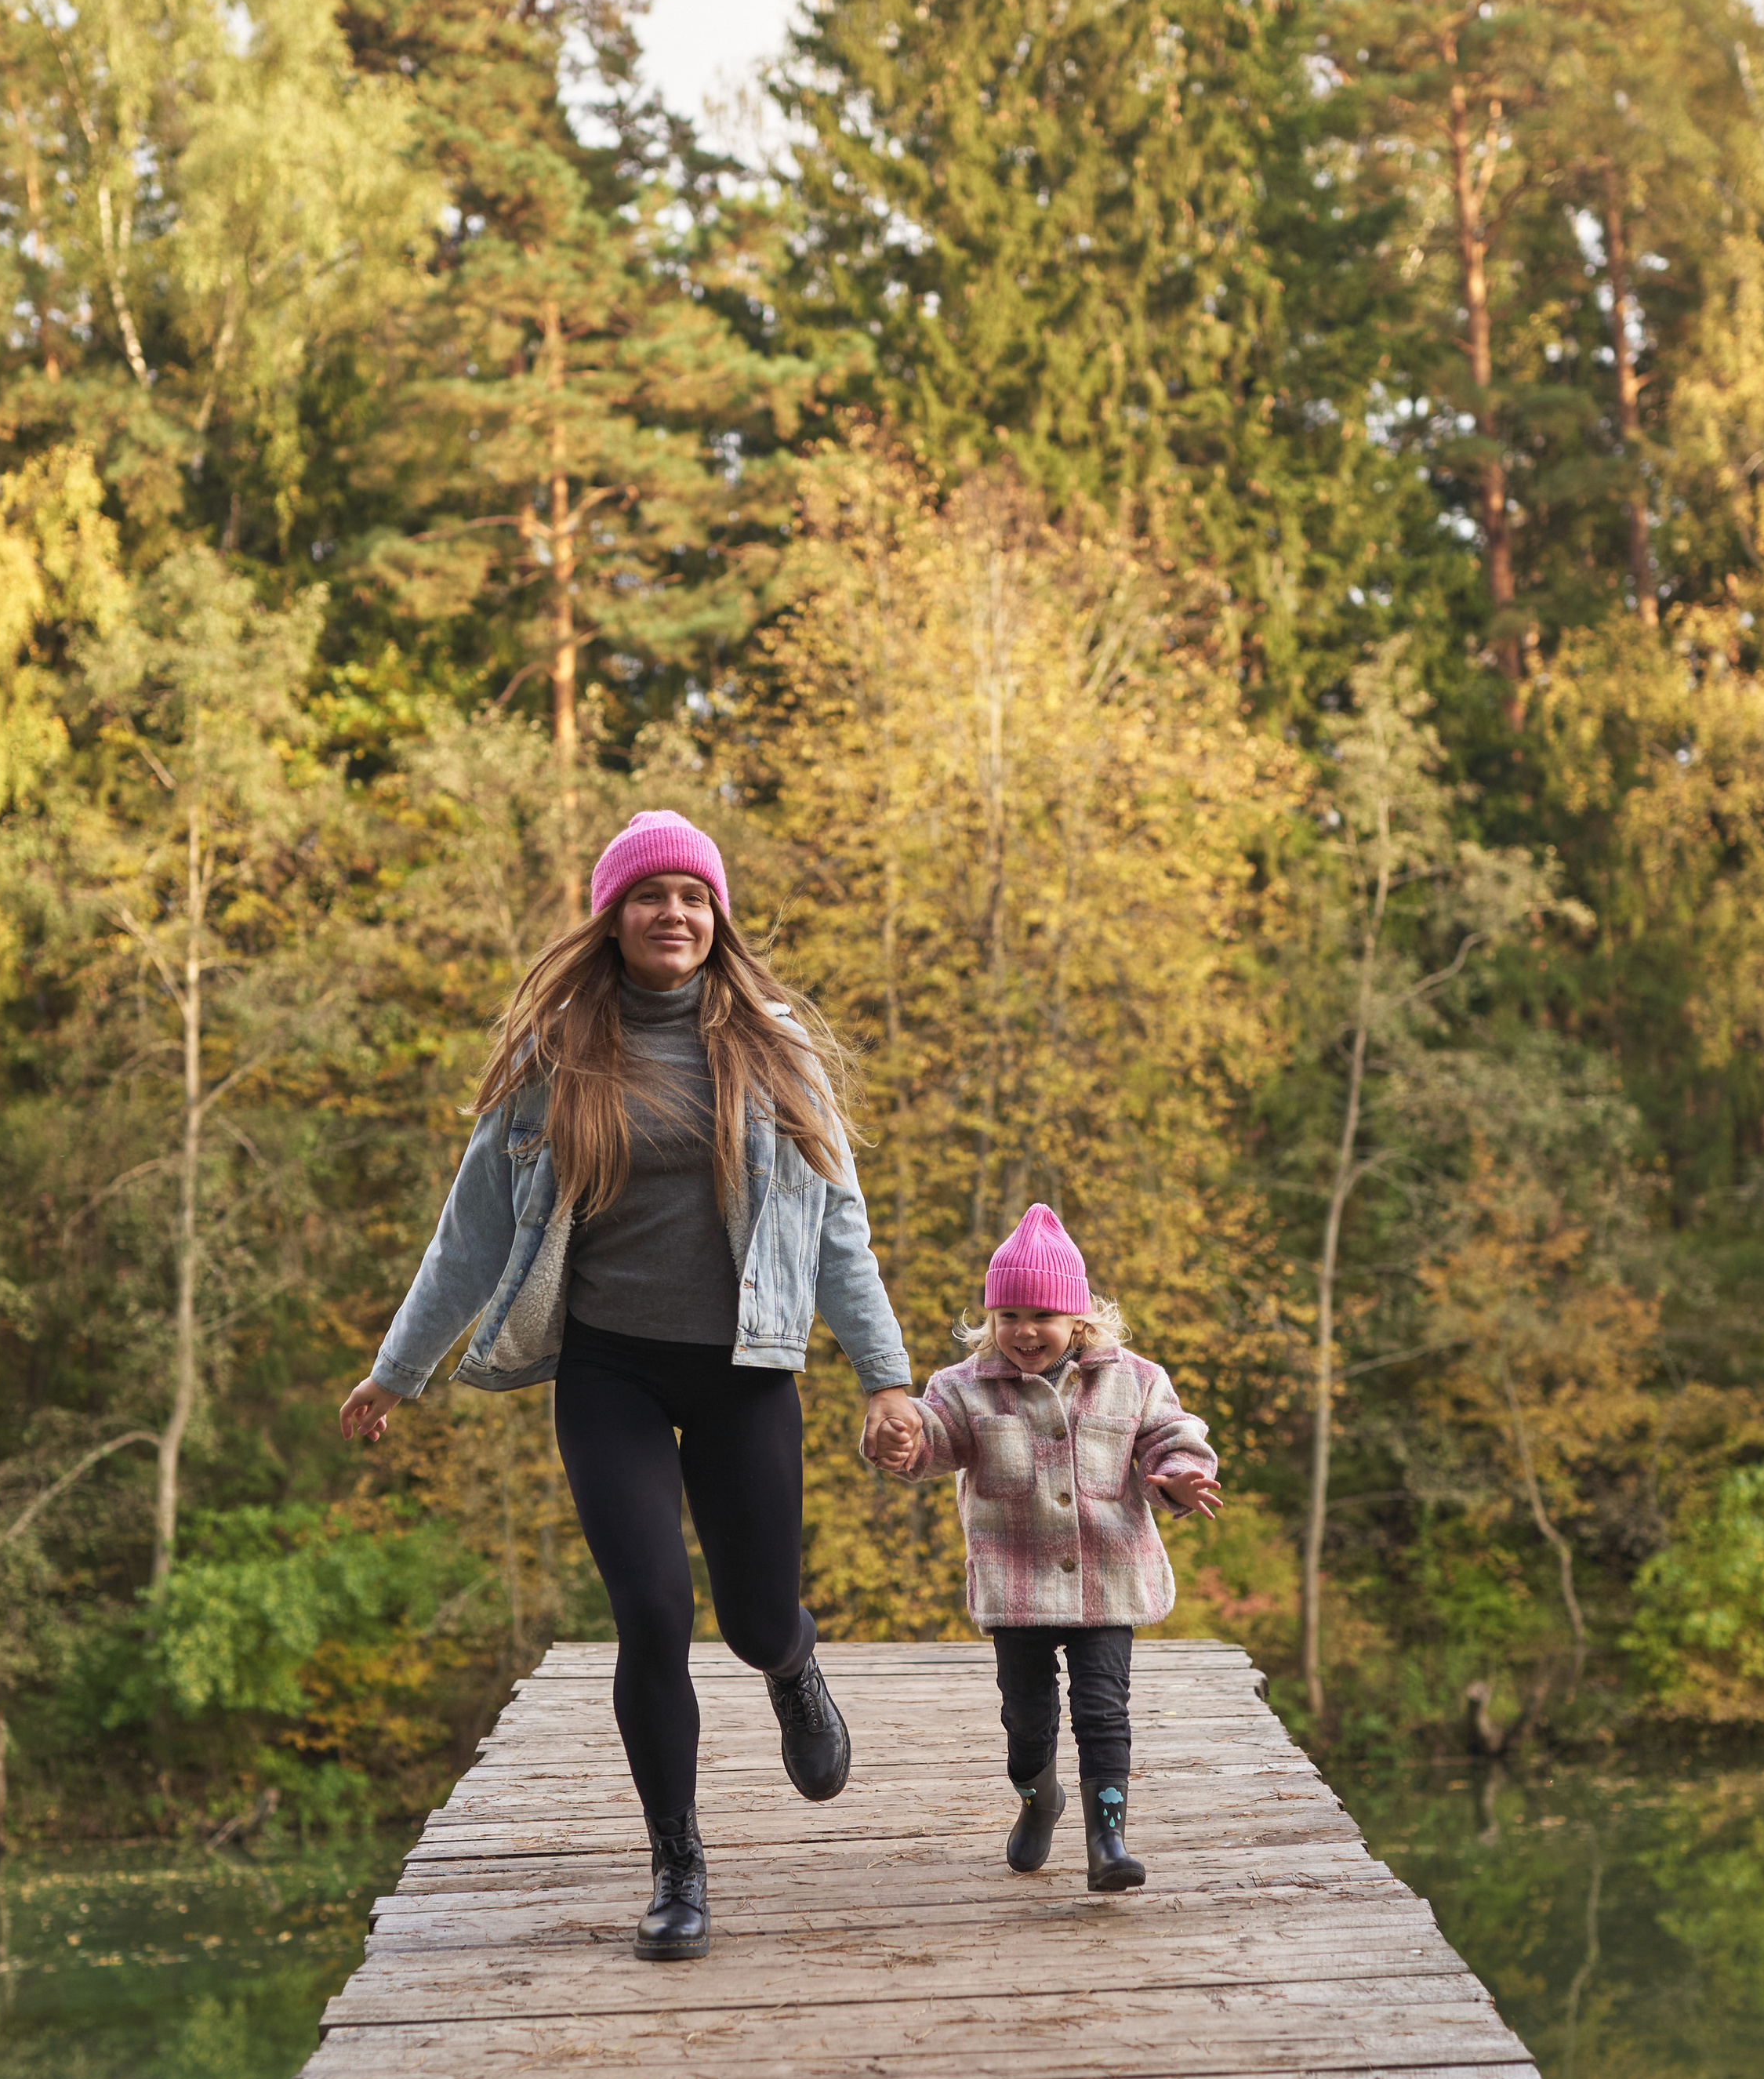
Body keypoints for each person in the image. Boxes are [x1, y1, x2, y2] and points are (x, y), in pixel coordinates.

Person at [339, 808, 922, 1963]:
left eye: (694, 897)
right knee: (651, 1611)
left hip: (744, 1368)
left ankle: (791, 1662)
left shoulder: (774, 1044)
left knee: (754, 1619)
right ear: (614, 919)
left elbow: (836, 1229)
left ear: (719, 919)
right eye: (650, 897)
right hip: (607, 1367)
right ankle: (677, 1865)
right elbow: (471, 1230)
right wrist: (397, 1369)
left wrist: (885, 1378)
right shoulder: (558, 1053)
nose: (675, 915)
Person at [864, 1204, 1221, 1891]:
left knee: (1101, 1709)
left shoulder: (1137, 1380)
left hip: (1107, 1578)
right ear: (990, 1321)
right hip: (1016, 1583)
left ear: (1079, 1320)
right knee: (1027, 1721)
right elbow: (935, 1442)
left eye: (1043, 1317)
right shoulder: (962, 1388)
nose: (1024, 1332)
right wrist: (904, 1440)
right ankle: (1039, 1799)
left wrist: (1178, 1478)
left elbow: (1170, 1439)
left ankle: (1107, 1841)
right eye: (1008, 1316)